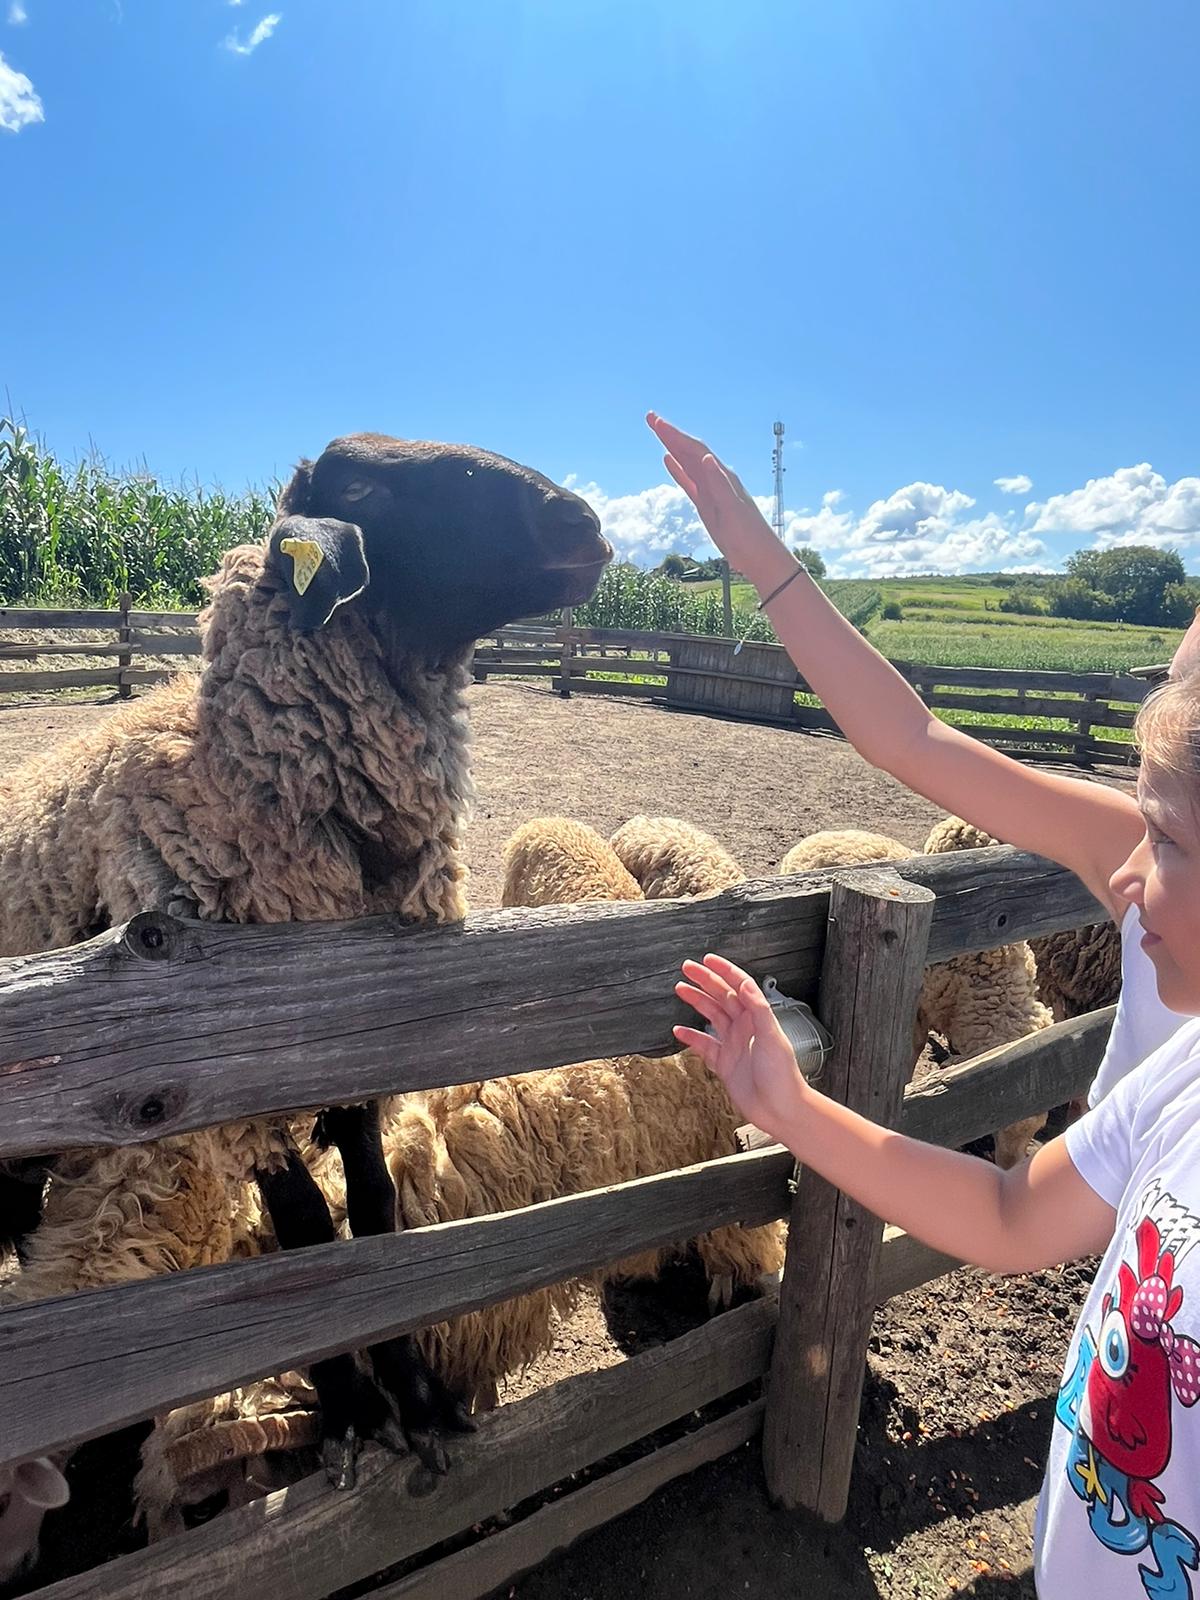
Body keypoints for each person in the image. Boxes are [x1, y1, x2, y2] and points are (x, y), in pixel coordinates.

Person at [674, 671, 1200, 1596]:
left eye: (1162, 840)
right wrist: (789, 1107)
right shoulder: (1180, 1076)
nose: (1123, 876)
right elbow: (1007, 1213)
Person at [647, 413, 1199, 1105]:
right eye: (1166, 688)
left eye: (1187, 704)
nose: (1128, 872)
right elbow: (909, 736)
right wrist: (763, 560)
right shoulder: (1140, 853)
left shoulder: (1147, 866)